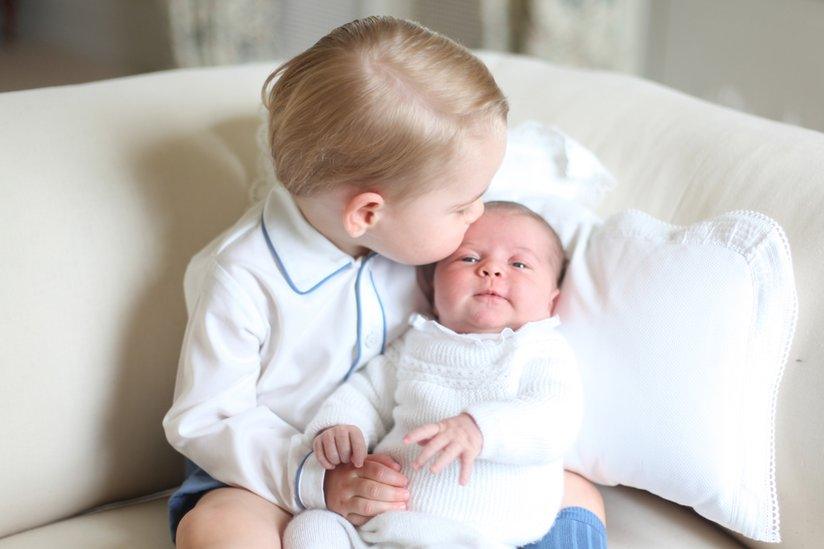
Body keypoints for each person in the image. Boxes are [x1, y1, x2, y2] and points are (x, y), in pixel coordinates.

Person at [162, 15, 606, 549]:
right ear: (368, 213)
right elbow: (204, 420)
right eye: (463, 206)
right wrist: (317, 478)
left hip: (418, 472)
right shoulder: (241, 276)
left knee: (578, 492)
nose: (478, 214)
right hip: (274, 475)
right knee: (216, 528)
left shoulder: (416, 232)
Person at [283, 202, 595, 548]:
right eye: (469, 258)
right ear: (432, 288)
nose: (491, 270)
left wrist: (480, 428)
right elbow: (368, 392)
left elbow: (555, 418)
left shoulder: (540, 349)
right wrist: (341, 426)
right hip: (382, 529)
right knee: (311, 527)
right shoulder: (416, 342)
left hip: (481, 538)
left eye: (518, 264)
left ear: (551, 303)